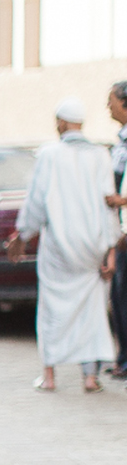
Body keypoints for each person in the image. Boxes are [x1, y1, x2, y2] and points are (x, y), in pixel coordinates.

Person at [8, 97, 118, 394]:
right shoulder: (100, 156)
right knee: (92, 310)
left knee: (52, 309)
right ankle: (90, 378)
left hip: (58, 248)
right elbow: (110, 205)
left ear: (61, 122)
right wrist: (110, 250)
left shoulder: (49, 155)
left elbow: (36, 201)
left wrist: (22, 234)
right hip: (92, 248)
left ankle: (49, 376)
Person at [106, 82, 127, 379]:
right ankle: (123, 356)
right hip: (119, 229)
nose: (107, 106)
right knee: (119, 295)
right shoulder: (119, 141)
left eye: (110, 100)